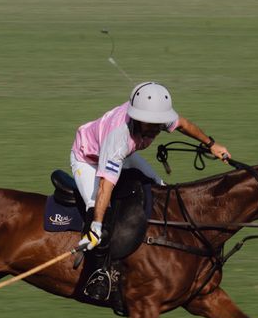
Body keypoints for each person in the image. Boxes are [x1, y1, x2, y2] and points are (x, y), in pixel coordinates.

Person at [70, 82, 230, 252]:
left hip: (124, 156)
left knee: (161, 188)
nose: (156, 129)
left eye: (158, 123)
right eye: (151, 124)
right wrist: (96, 226)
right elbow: (105, 186)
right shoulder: (118, 139)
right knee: (99, 214)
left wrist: (211, 144)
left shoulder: (157, 116)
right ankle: (98, 272)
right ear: (138, 119)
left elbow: (183, 124)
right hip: (87, 159)